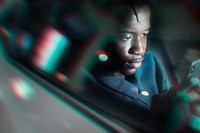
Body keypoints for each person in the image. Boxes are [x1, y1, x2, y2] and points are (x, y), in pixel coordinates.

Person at [73, 0, 200, 132]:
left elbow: (163, 92)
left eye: (144, 35)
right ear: (101, 34)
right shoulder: (88, 83)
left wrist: (169, 98)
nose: (140, 49)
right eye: (126, 37)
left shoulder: (150, 62)